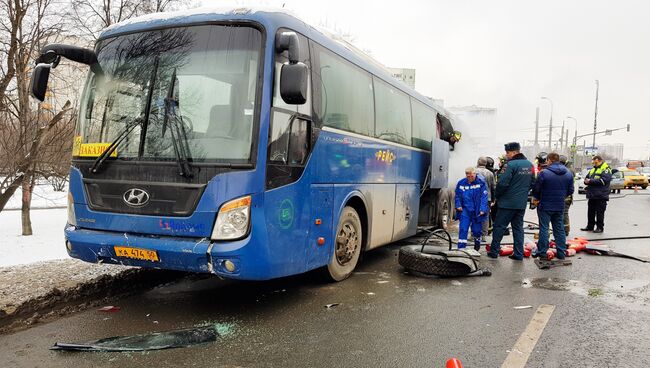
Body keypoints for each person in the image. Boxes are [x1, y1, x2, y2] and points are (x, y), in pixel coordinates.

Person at [487, 142, 534, 260]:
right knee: (518, 228)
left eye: (507, 152)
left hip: (507, 203)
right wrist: (522, 193)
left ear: (514, 152)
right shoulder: (529, 165)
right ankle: (518, 254)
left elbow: (502, 183)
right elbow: (533, 182)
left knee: (499, 226)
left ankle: (494, 251)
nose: (506, 155)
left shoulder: (510, 165)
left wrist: (496, 196)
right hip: (521, 204)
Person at [531, 152, 574, 260]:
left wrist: (537, 198)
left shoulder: (544, 173)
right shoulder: (568, 173)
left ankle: (542, 252)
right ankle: (561, 252)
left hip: (545, 205)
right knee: (559, 229)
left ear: (549, 160)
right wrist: (561, 197)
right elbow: (571, 190)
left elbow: (536, 189)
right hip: (559, 205)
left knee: (544, 229)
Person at [455, 167, 489, 251]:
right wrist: (458, 205)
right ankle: (461, 248)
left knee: (476, 230)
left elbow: (484, 197)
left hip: (477, 211)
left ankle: (477, 244)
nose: (470, 178)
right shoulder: (461, 183)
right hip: (465, 210)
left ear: (475, 174)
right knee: (463, 228)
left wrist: (482, 209)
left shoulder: (481, 183)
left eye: (472, 176)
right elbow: (457, 196)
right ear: (466, 175)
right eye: (468, 176)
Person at [580, 155, 612, 233]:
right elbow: (587, 178)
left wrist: (590, 181)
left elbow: (604, 181)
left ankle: (600, 227)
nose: (592, 162)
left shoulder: (606, 169)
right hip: (592, 195)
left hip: (601, 195)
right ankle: (590, 226)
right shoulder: (593, 169)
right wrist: (586, 181)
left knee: (599, 212)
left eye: (593, 160)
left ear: (597, 160)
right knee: (590, 211)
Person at [475, 157, 496, 239]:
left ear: (478, 162)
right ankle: (483, 235)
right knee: (485, 216)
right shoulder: (490, 173)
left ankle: (474, 234)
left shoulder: (473, 172)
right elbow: (493, 187)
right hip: (487, 198)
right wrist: (493, 199)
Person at [559, 155, 574, 236]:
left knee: (564, 213)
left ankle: (565, 230)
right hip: (567, 195)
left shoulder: (566, 171)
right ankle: (564, 230)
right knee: (564, 213)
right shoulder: (570, 170)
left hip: (565, 196)